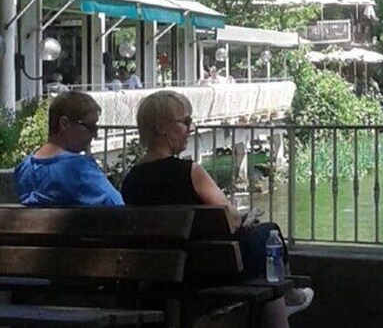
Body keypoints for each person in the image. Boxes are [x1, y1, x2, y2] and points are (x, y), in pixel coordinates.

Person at [121, 91, 313, 323]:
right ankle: (289, 297)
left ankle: (285, 301)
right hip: (209, 271)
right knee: (269, 233)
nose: (190, 129)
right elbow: (229, 218)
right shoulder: (191, 172)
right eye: (186, 122)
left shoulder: (130, 180)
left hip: (162, 274)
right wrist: (246, 219)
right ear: (162, 127)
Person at [14, 91, 124, 206]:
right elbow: (117, 207)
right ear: (64, 124)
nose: (95, 135)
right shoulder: (80, 170)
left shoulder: (23, 169)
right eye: (91, 127)